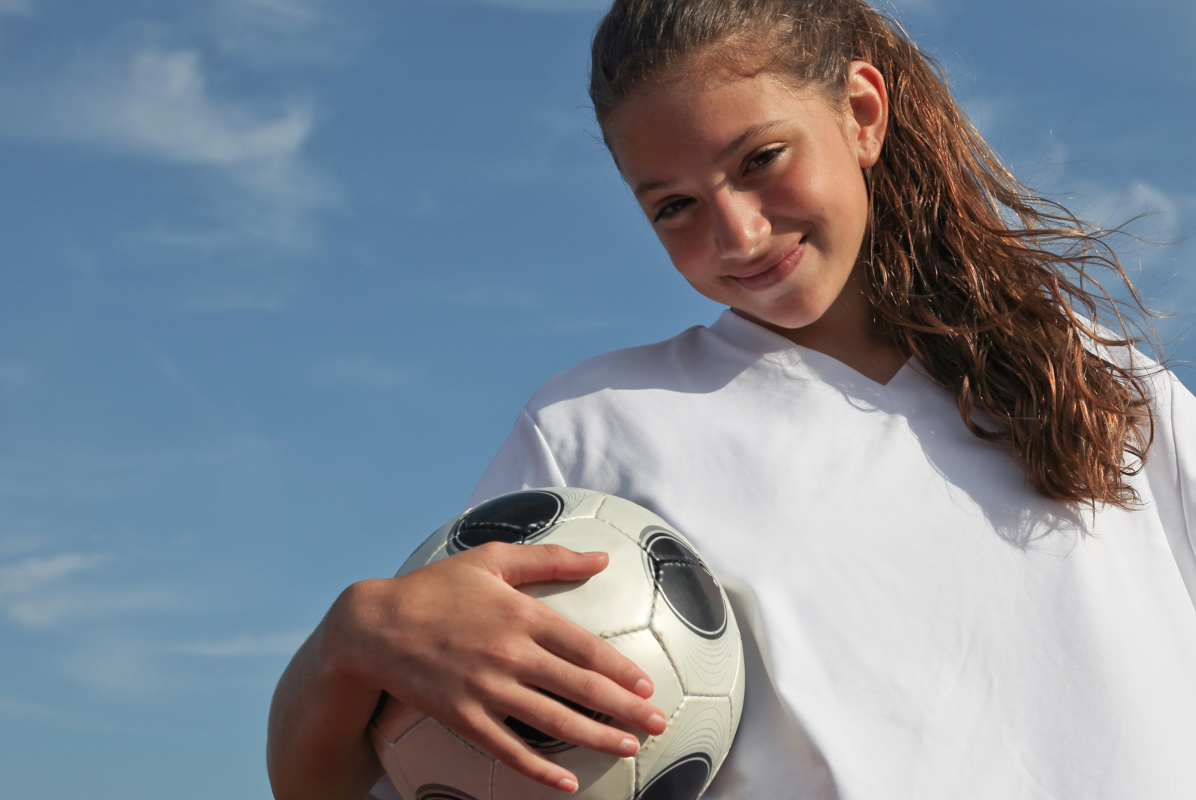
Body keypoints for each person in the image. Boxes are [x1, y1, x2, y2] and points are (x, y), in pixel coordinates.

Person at [267, 0, 1196, 798]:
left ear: (862, 113)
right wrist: (352, 640)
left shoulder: (1102, 386)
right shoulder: (595, 434)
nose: (738, 232)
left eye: (760, 159)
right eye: (672, 206)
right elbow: (384, 774)